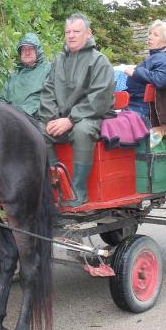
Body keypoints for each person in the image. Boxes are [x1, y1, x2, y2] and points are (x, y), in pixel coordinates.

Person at [39, 13, 114, 207]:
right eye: (68, 32)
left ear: (88, 33)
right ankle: (57, 186)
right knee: (39, 131)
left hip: (92, 116)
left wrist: (70, 119)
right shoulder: (58, 60)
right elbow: (47, 91)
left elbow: (99, 99)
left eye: (76, 31)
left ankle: (79, 190)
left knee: (82, 131)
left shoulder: (99, 61)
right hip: (64, 118)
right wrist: (51, 119)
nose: (71, 35)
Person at [123, 20, 166, 122]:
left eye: (156, 35)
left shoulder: (162, 58)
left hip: (139, 110)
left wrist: (135, 72)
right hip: (148, 109)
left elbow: (162, 79)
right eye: (150, 34)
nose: (150, 37)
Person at [0, 33, 51, 118]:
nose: (27, 52)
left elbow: (46, 97)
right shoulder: (13, 77)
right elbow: (1, 100)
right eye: (23, 49)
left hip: (37, 122)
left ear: (38, 51)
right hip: (10, 119)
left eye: (31, 48)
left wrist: (19, 112)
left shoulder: (49, 70)